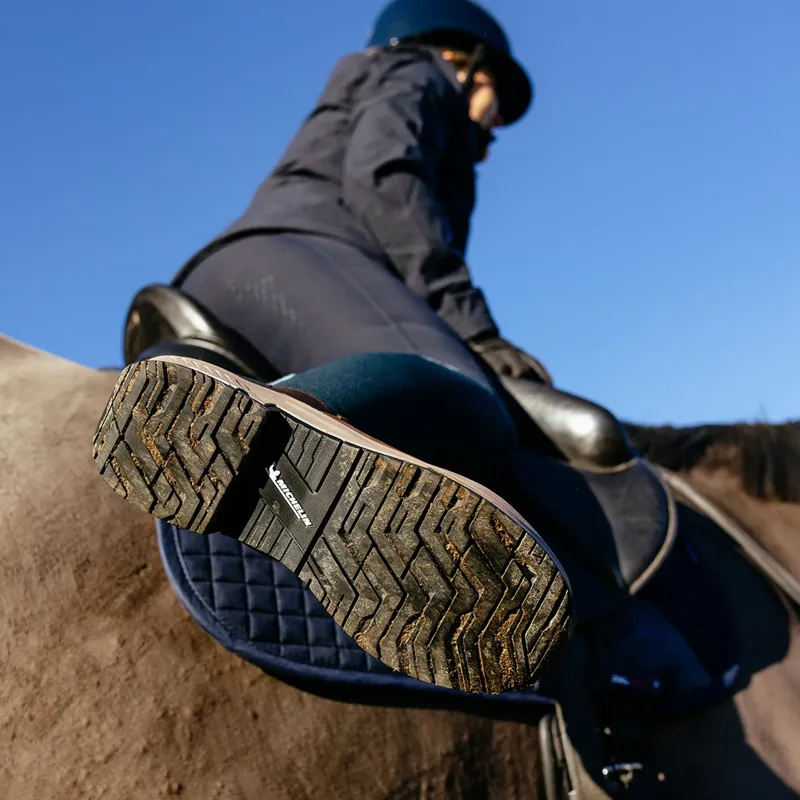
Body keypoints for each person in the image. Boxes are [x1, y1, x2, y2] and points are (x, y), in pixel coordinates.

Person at [172, 0, 551, 392]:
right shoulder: (420, 70)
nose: (499, 121)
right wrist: (475, 329)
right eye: (498, 97)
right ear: (461, 64)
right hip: (299, 261)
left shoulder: (403, 101)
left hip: (243, 278)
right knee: (449, 395)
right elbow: (385, 177)